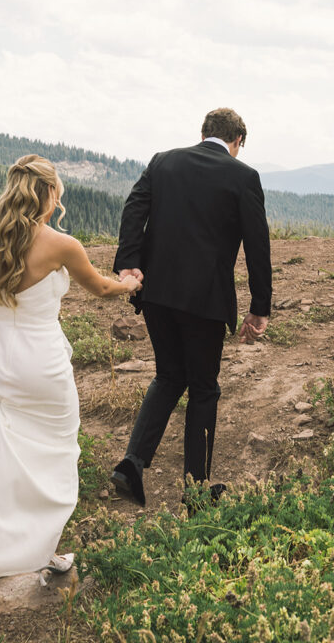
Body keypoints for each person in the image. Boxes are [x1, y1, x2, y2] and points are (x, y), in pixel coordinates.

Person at [0, 155, 141, 617]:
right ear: (47, 193)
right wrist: (128, 282)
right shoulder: (62, 244)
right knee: (56, 454)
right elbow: (102, 289)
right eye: (57, 190)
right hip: (43, 366)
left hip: (1, 357)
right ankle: (40, 543)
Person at [110, 108, 272, 507]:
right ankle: (196, 490)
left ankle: (132, 463)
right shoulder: (243, 176)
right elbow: (257, 246)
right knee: (203, 388)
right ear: (238, 142)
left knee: (168, 376)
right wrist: (259, 306)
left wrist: (130, 262)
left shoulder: (163, 162)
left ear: (203, 133)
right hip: (205, 302)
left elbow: (134, 209)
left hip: (156, 294)